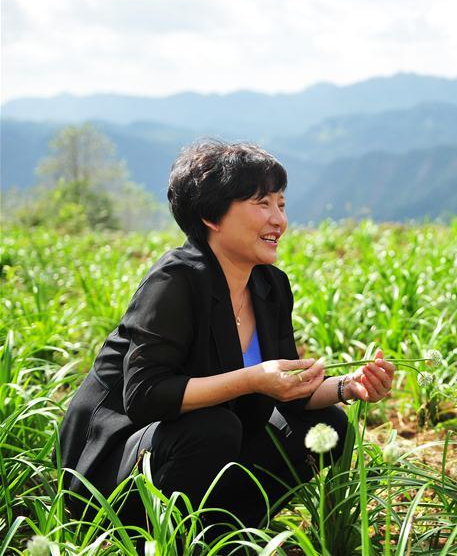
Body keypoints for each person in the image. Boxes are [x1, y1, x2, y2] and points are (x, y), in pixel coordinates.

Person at [58, 140, 396, 530]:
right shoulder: (175, 281)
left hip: (203, 449)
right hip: (114, 466)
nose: (278, 220)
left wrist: (348, 386)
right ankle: (164, 537)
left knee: (327, 425)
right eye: (262, 204)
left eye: (281, 204)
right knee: (214, 427)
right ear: (211, 216)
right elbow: (145, 396)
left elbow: (288, 389)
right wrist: (251, 379)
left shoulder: (270, 285)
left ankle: (227, 532)